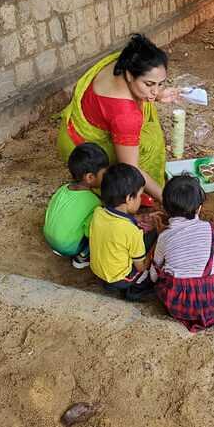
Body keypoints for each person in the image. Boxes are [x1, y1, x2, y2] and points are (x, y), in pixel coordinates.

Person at [57, 34, 179, 204]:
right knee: (147, 147)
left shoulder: (121, 61)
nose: (155, 91)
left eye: (160, 83)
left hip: (71, 129)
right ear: (130, 75)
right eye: (149, 84)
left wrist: (157, 94)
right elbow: (130, 170)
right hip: (83, 152)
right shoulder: (125, 116)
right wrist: (167, 200)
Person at [151, 174, 214, 332]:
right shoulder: (208, 228)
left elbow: (154, 274)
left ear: (165, 208)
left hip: (177, 302)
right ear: (199, 208)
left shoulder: (164, 237)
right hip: (209, 300)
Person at [90, 163, 157, 301]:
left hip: (98, 272)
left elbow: (115, 229)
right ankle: (135, 289)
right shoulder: (131, 231)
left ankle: (111, 285)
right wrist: (157, 242)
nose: (140, 200)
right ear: (128, 198)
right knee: (154, 240)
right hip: (120, 279)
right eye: (139, 196)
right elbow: (141, 267)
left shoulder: (98, 213)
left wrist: (136, 219)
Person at [43, 143, 109, 269]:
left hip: (48, 236)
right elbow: (91, 232)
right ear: (90, 177)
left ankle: (61, 244)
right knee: (101, 228)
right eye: (104, 175)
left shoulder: (63, 188)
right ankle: (83, 256)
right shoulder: (93, 202)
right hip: (67, 247)